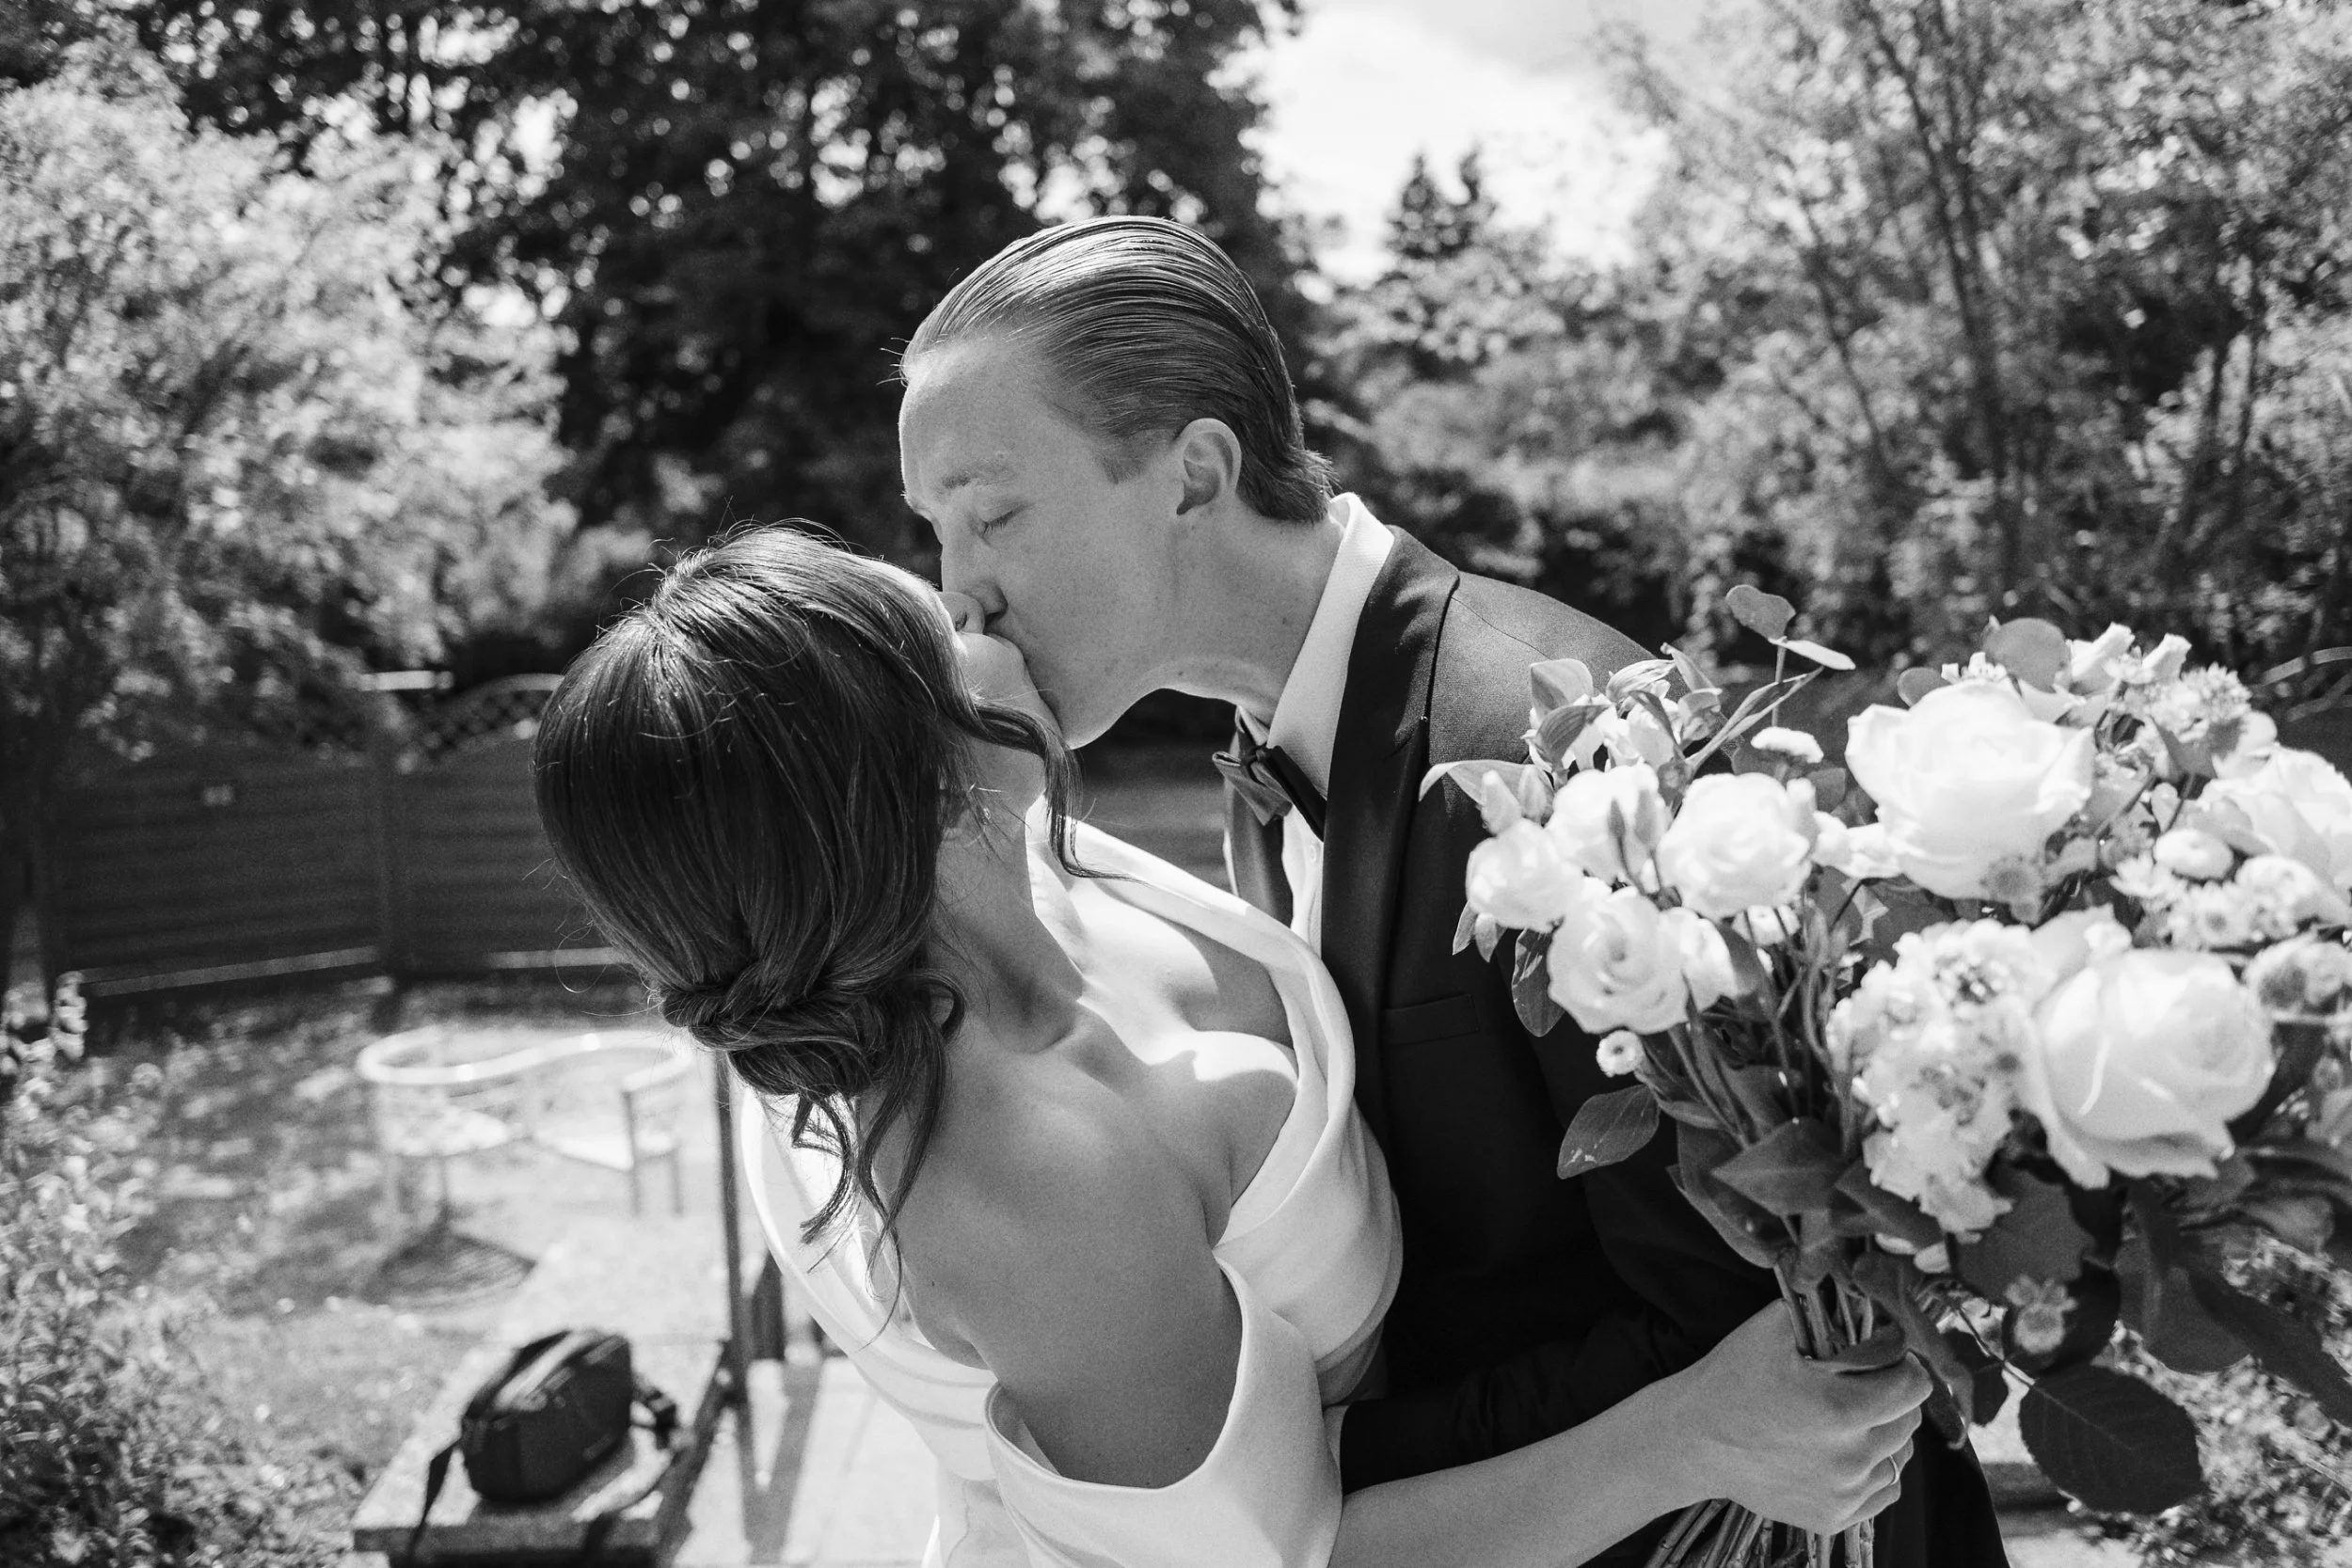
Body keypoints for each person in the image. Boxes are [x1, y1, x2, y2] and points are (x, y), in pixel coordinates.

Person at [898, 215, 2009, 1566]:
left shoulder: (1549, 744)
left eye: (991, 514)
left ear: (1194, 472)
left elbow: (1751, 1317)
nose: (962, 597)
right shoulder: (1264, 748)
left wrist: (1296, 1478)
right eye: (937, 534)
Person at [532, 531, 1928, 1567]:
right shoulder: (1025, 1182)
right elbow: (1292, 1558)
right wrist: (1700, 1434)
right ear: (907, 774)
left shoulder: (1034, 874)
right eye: (928, 615)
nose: (968, 596)